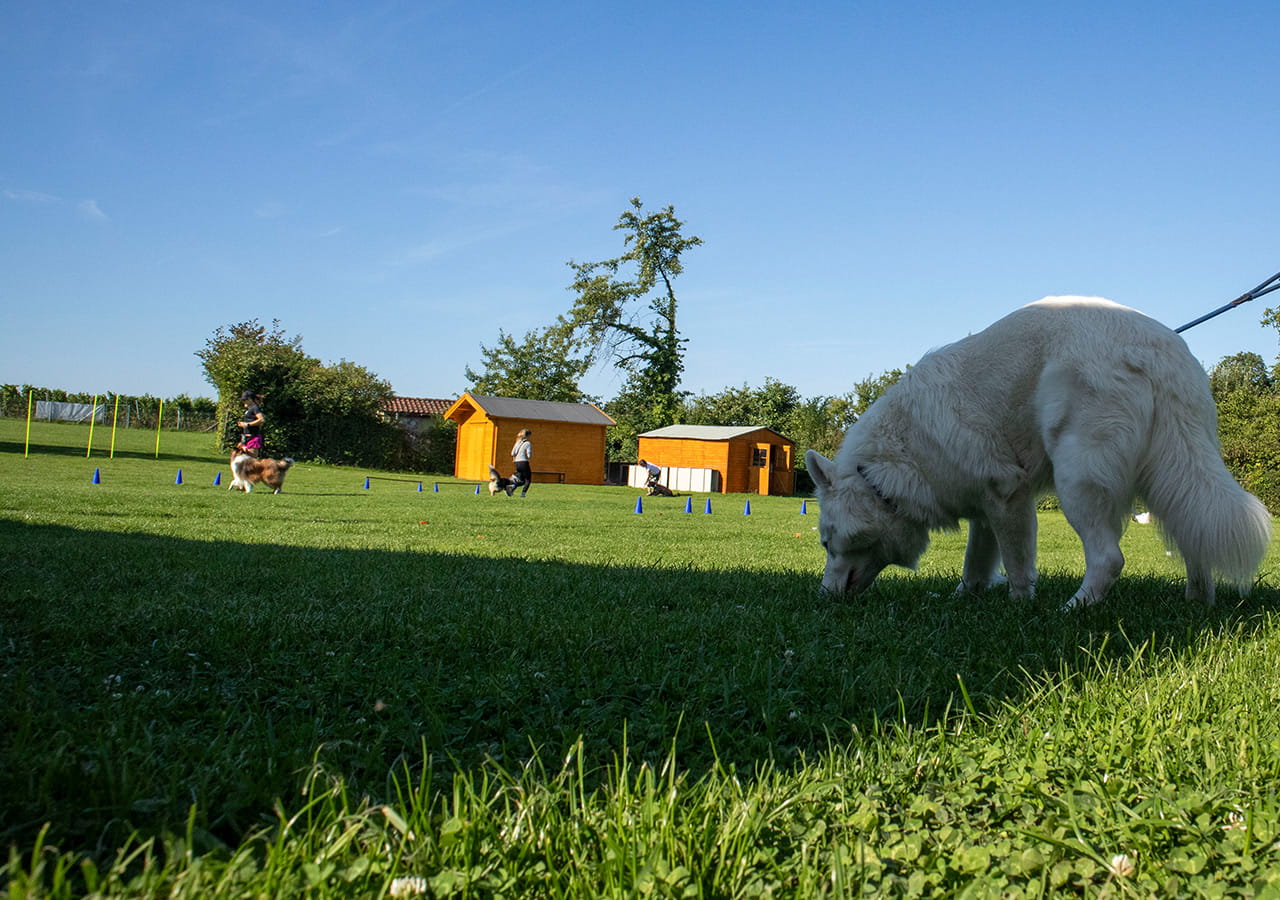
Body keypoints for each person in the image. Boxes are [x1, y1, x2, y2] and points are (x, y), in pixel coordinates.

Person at [236, 391, 265, 457]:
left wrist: (247, 424)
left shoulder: (255, 408)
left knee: (251, 462)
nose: (243, 402)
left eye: (244, 400)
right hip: (246, 437)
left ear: (250, 399)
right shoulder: (250, 409)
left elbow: (261, 420)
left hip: (253, 437)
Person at [511, 428, 533, 497]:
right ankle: (523, 494)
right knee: (528, 480)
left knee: (520, 479)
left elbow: (512, 453)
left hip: (517, 462)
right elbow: (529, 455)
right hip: (524, 462)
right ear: (528, 436)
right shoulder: (528, 443)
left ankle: (511, 488)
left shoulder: (517, 442)